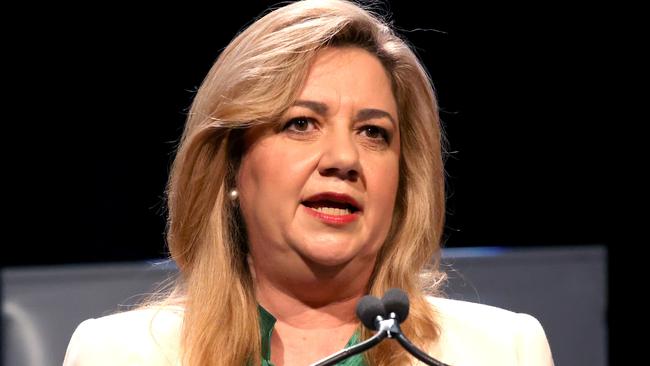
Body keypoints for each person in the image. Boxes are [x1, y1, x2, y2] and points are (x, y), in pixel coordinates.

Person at [63, 0, 554, 365]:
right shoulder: (118, 353)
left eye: (373, 133)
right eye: (301, 123)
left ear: (403, 184)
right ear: (231, 165)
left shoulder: (503, 351)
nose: (344, 158)